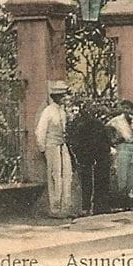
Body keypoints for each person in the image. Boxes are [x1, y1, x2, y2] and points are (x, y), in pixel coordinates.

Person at [35, 81, 74, 218]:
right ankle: (55, 209)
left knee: (67, 175)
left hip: (62, 146)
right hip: (52, 146)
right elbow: (40, 131)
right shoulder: (48, 111)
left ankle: (66, 207)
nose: (65, 98)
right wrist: (43, 149)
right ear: (56, 96)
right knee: (55, 176)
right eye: (63, 95)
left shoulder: (62, 111)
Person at [69, 100, 112, 215]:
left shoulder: (76, 123)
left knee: (86, 182)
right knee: (99, 182)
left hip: (86, 157)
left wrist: (79, 155)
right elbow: (106, 142)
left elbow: (73, 141)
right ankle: (98, 206)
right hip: (99, 157)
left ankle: (86, 207)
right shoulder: (98, 124)